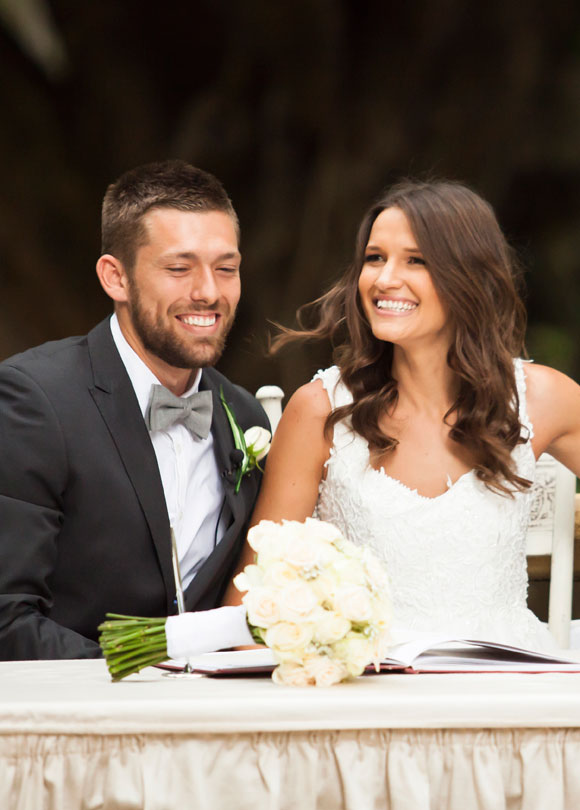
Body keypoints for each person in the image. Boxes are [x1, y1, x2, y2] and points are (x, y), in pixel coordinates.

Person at [231, 179, 580, 651]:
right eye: (375, 258)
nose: (384, 278)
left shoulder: (542, 397)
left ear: (470, 275)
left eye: (415, 260)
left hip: (511, 686)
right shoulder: (320, 410)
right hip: (374, 692)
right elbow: (249, 605)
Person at [0, 159, 269, 660]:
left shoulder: (244, 415)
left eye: (226, 268)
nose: (208, 291)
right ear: (115, 278)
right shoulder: (35, 401)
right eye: (178, 268)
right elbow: (7, 620)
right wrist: (148, 668)